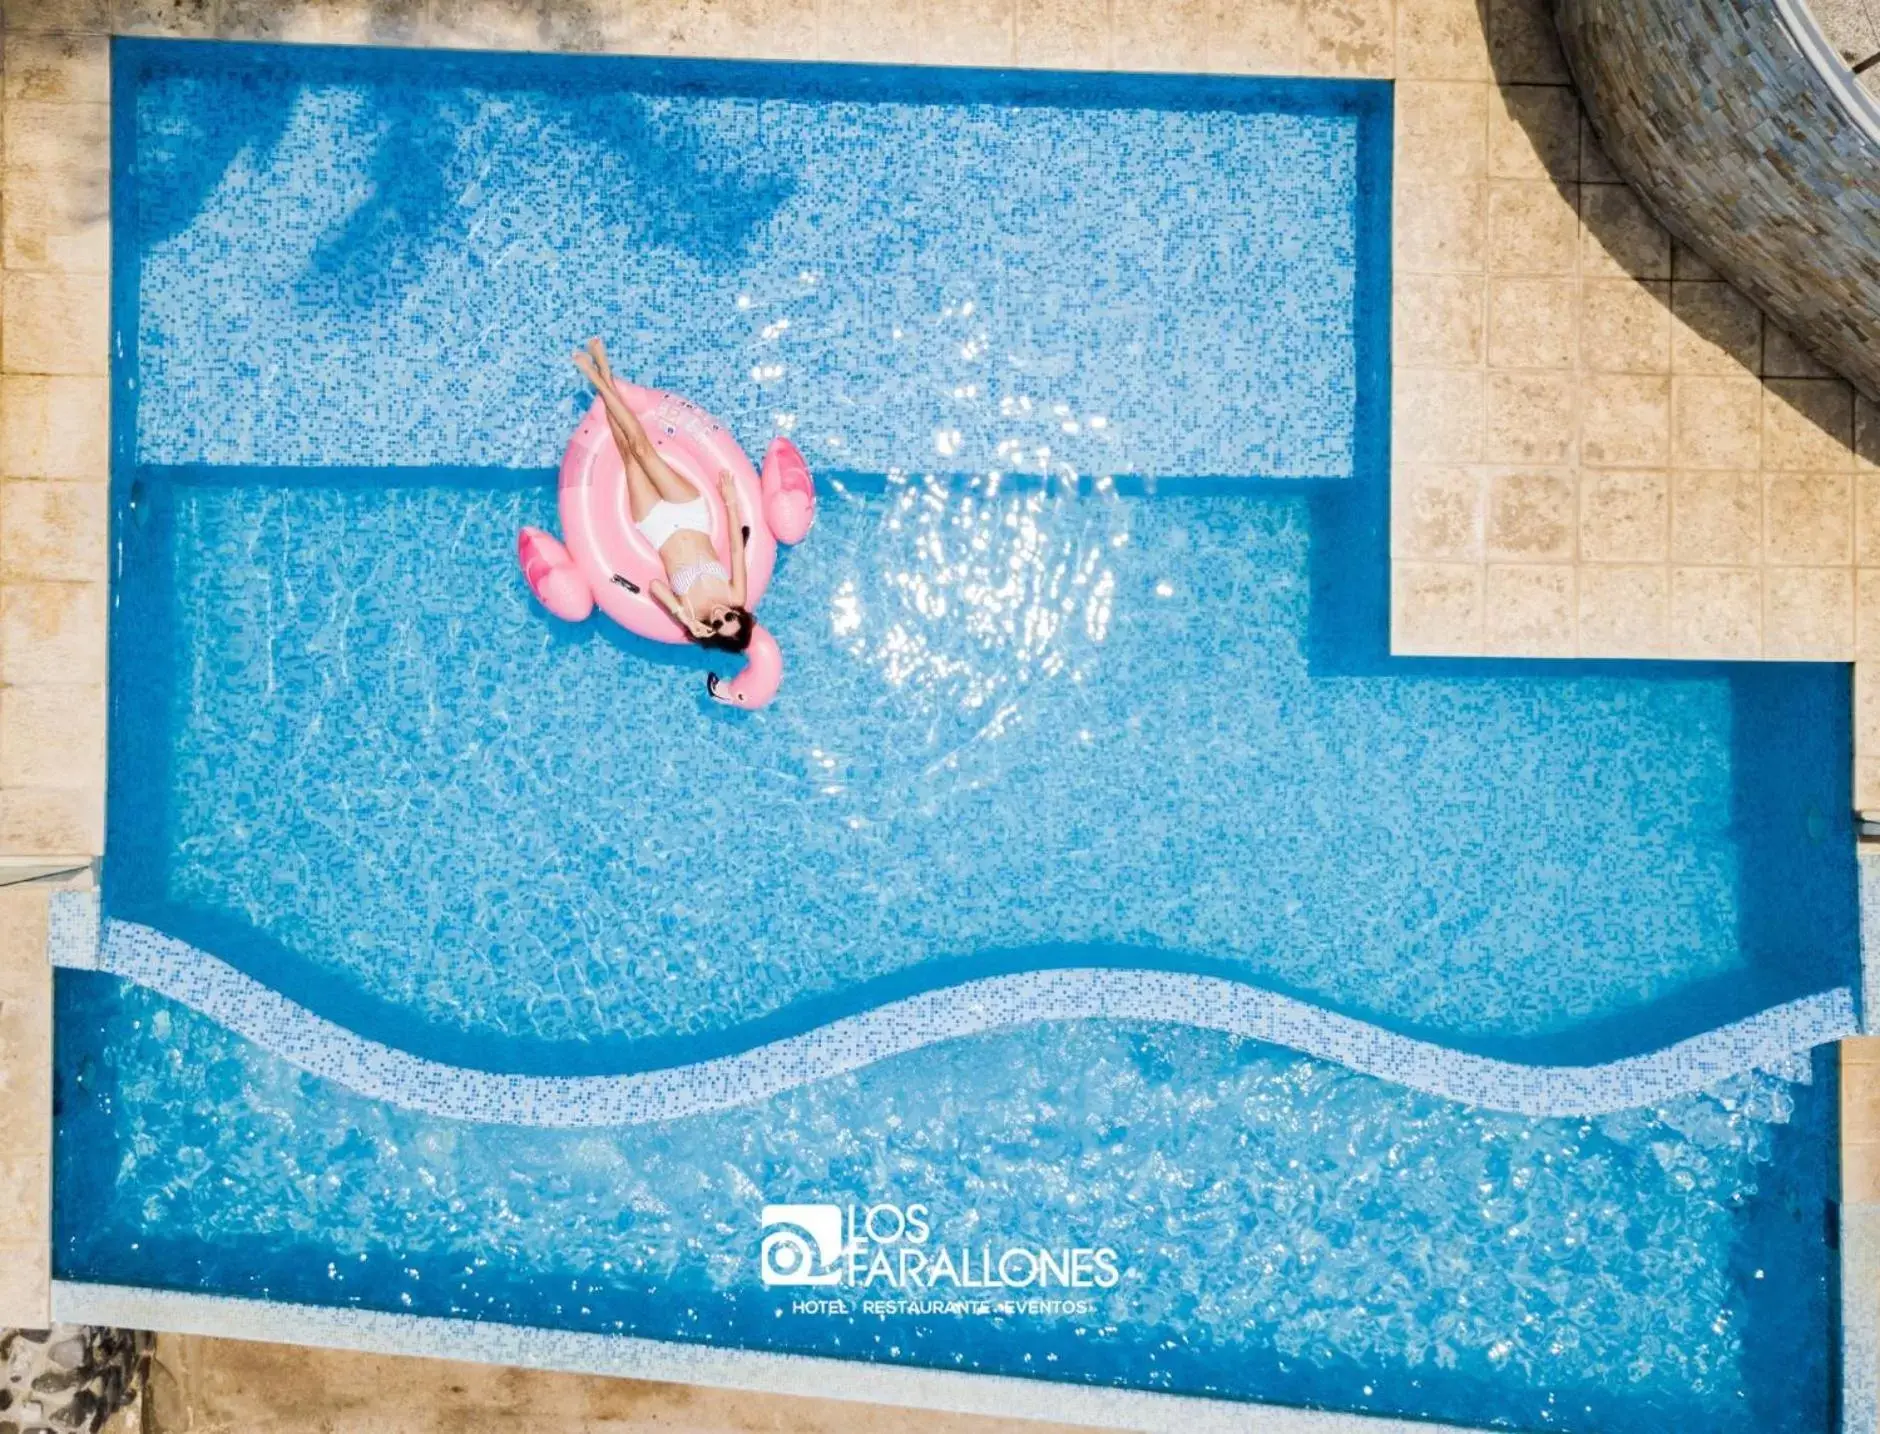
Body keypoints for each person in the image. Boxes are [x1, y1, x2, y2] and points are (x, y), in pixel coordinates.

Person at [571, 338, 754, 654]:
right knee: (642, 449)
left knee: (628, 456)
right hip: (690, 513)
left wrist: (682, 615)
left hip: (657, 528)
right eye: (731, 616)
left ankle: (603, 373)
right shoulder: (736, 595)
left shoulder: (692, 616)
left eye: (721, 623)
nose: (722, 614)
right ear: (738, 613)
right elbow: (736, 550)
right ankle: (597, 374)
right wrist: (730, 501)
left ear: (715, 633)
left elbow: (655, 587)